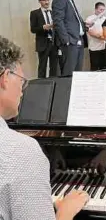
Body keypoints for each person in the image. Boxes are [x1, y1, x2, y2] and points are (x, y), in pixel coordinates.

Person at [0, 35, 88, 220]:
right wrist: (66, 211)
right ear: (5, 78)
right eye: (22, 81)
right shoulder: (21, 152)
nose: (23, 89)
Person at [52, 0, 88, 76]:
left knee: (77, 74)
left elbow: (71, 21)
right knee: (69, 74)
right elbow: (58, 21)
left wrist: (84, 25)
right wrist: (66, 40)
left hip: (78, 40)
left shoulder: (70, 0)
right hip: (70, 42)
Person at [30, 0, 58, 78]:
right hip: (43, 44)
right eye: (44, 0)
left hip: (54, 43)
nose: (46, 2)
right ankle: (41, 87)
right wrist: (43, 27)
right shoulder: (34, 13)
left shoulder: (53, 13)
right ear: (39, 1)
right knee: (42, 67)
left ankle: (53, 85)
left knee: (54, 67)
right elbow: (33, 29)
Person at [86, 2, 106, 70]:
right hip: (94, 48)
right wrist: (100, 37)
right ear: (95, 9)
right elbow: (89, 31)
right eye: (101, 9)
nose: (102, 12)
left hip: (104, 47)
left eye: (103, 10)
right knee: (95, 68)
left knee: (104, 68)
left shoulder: (105, 19)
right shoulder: (90, 19)